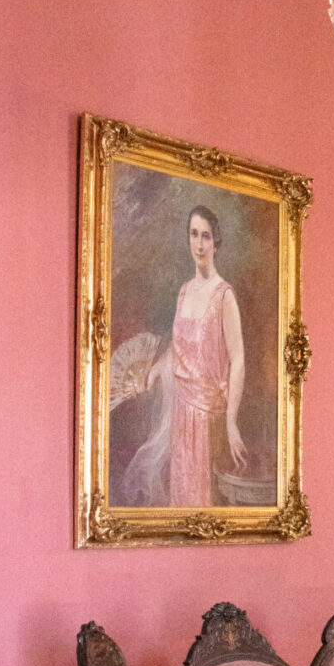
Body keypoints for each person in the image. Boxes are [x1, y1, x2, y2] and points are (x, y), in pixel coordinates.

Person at [122, 205, 247, 506]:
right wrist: (153, 372)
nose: (199, 244)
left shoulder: (223, 295)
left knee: (207, 502)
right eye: (194, 234)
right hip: (181, 414)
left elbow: (239, 358)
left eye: (205, 236)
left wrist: (231, 421)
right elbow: (178, 348)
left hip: (209, 419)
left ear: (216, 244)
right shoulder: (184, 292)